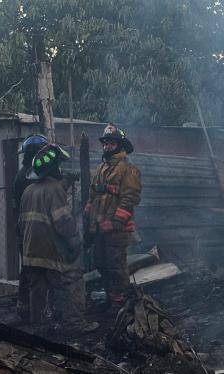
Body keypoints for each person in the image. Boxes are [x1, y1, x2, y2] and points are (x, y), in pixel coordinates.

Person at [20, 144, 99, 333]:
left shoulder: (28, 190)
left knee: (37, 287)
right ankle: (75, 323)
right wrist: (76, 243)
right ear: (54, 168)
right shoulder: (54, 189)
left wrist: (65, 184)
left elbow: (28, 219)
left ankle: (38, 326)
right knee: (74, 280)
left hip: (31, 252)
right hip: (51, 251)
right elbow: (63, 221)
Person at [84, 124, 142, 311]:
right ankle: (112, 296)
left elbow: (130, 198)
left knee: (116, 266)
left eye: (111, 142)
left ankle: (120, 304)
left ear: (120, 145)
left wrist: (116, 222)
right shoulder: (102, 168)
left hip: (117, 229)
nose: (107, 146)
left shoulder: (128, 169)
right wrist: (88, 215)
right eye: (105, 142)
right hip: (100, 227)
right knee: (100, 262)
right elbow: (93, 194)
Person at [14, 134, 49, 320]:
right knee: (36, 273)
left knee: (27, 268)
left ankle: (24, 307)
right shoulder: (30, 176)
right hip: (32, 232)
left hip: (23, 231)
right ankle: (37, 315)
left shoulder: (23, 173)